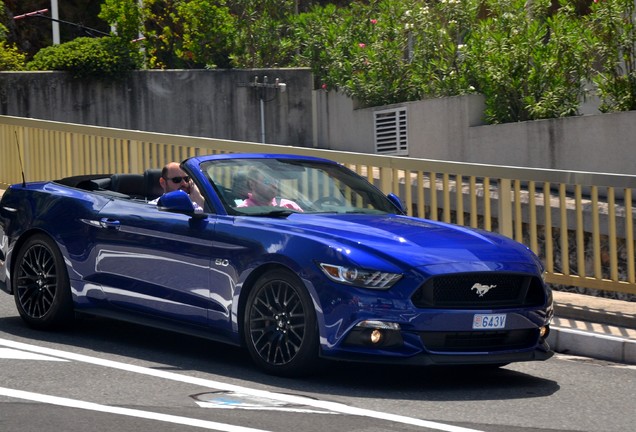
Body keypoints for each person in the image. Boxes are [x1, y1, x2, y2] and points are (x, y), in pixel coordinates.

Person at [237, 168, 303, 211]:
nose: (274, 185)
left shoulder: (290, 206)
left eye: (275, 181)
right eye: (267, 181)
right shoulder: (243, 210)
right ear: (252, 184)